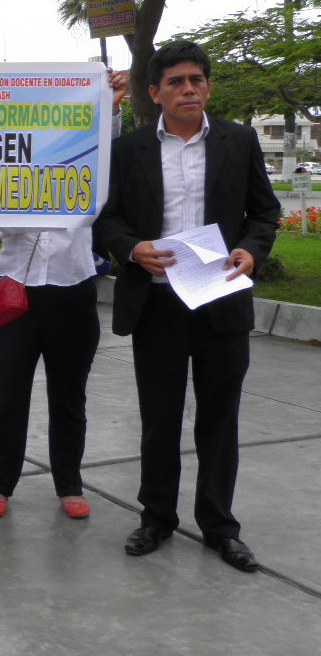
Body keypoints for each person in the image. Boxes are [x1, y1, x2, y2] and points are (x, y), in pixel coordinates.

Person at [94, 41, 279, 571]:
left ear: (208, 87)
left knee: (220, 420)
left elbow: (264, 213)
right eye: (175, 82)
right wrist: (131, 249)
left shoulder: (238, 141)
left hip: (220, 299)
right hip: (157, 302)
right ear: (154, 93)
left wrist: (251, 249)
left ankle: (220, 527)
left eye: (196, 80)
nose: (188, 89)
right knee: (159, 418)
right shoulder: (129, 150)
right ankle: (156, 518)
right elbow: (107, 218)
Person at [0, 71, 127, 519]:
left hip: (74, 289)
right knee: (8, 395)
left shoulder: (85, 166)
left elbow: (107, 151)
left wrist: (112, 106)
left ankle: (69, 483)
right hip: (16, 293)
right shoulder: (3, 169)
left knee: (69, 396)